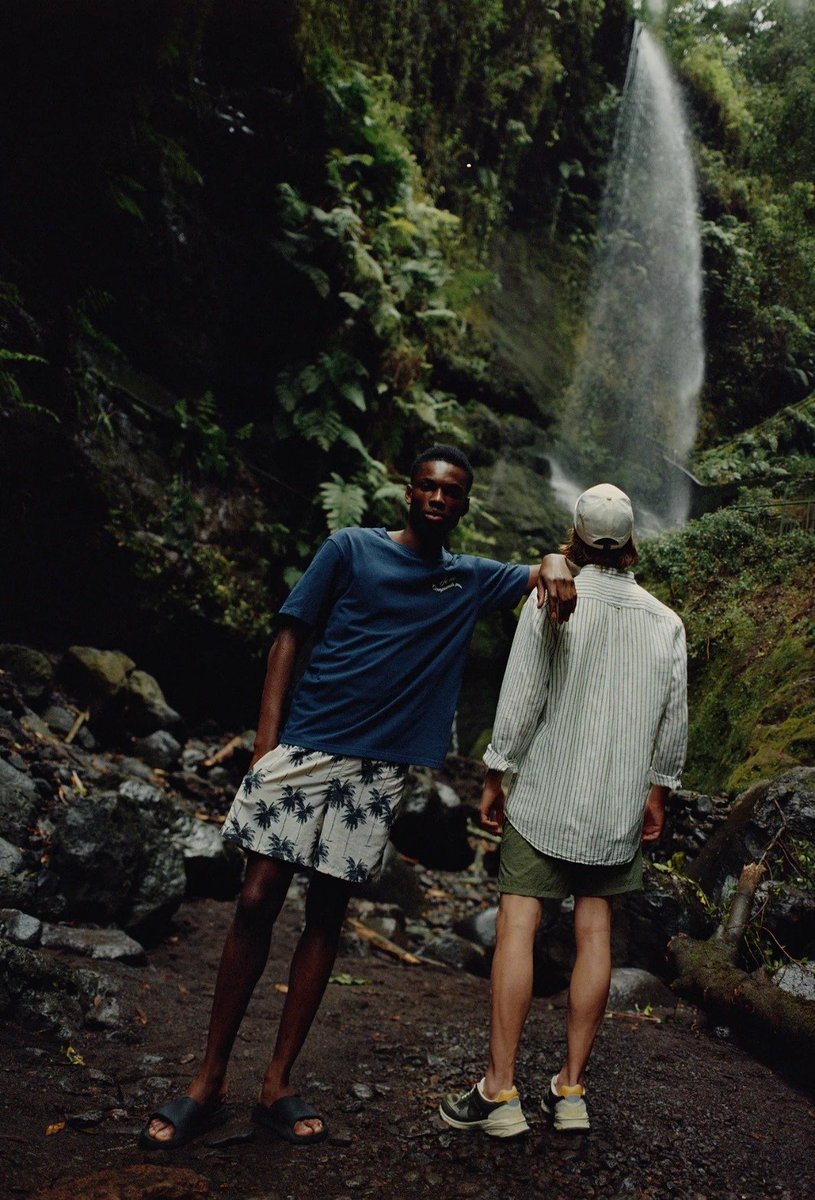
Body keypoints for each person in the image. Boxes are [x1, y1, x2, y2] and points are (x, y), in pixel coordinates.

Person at [140, 443, 578, 1150]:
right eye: (427, 487)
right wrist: (265, 745)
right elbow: (290, 634)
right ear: (408, 492)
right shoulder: (348, 548)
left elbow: (540, 574)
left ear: (464, 506)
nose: (437, 500)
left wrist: (556, 562)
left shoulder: (466, 578)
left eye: (451, 492)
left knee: (326, 912)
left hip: (380, 770)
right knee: (255, 898)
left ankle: (276, 1083)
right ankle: (208, 1080)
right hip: (308, 745)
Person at [439, 482, 687, 1139]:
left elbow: (521, 695)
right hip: (613, 808)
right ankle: (570, 1090)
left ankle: (499, 1091)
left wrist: (496, 772)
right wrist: (654, 791)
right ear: (632, 543)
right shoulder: (666, 623)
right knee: (595, 934)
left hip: (546, 796)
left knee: (517, 924)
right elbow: (671, 726)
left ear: (573, 539)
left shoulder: (549, 602)